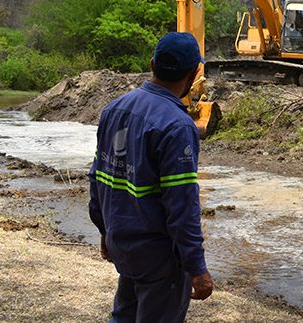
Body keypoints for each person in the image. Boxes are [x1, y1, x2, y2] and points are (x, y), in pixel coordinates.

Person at [89, 31, 213, 322]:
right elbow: (182, 206)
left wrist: (105, 231)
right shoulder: (177, 125)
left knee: (125, 314)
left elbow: (97, 177)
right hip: (159, 256)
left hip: (123, 243)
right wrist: (197, 268)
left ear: (152, 63)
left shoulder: (113, 109)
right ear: (194, 72)